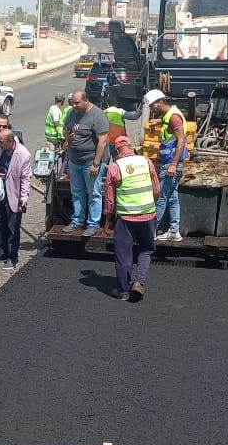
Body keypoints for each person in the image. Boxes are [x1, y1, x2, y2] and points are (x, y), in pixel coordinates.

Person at [102, 136, 160, 301]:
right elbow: (156, 189)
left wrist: (108, 219)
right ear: (131, 146)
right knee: (146, 249)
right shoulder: (146, 162)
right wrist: (150, 206)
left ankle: (124, 292)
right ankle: (139, 281)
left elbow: (110, 199)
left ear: (117, 151)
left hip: (126, 218)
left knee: (123, 254)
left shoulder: (115, 167)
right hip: (148, 215)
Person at [142, 89, 188, 242]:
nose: (152, 109)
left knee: (161, 197)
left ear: (160, 102)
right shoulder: (168, 115)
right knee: (172, 198)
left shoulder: (174, 117)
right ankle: (174, 231)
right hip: (169, 162)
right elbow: (169, 129)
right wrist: (159, 121)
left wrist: (173, 165)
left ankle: (151, 232)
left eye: (152, 105)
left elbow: (181, 141)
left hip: (171, 163)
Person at [62, 91, 110, 236]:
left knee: (93, 193)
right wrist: (67, 136)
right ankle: (77, 221)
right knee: (77, 192)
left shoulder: (97, 115)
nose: (74, 106)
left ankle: (93, 224)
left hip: (90, 162)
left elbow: (102, 141)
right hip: (75, 160)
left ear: (86, 101)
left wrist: (96, 164)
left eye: (77, 103)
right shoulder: (72, 113)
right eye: (72, 103)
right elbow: (65, 129)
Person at [0, 129, 32, 270]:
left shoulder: (23, 154)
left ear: (10, 141)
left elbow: (26, 178)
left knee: (12, 227)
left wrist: (24, 198)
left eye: (1, 141)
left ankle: (12, 257)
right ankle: (1, 251)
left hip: (13, 194)